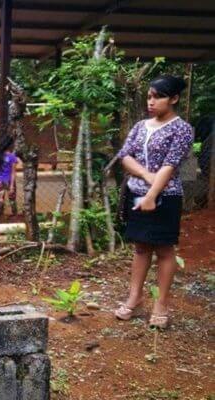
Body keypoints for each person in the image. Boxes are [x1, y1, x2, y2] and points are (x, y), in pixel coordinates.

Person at [114, 75, 193, 329]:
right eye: (149, 96)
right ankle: (135, 298)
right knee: (140, 246)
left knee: (164, 248)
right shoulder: (140, 126)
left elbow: (170, 165)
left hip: (166, 196)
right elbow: (125, 156)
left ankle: (161, 304)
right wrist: (146, 175)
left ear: (174, 99)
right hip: (136, 191)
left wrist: (151, 195)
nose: (151, 101)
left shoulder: (182, 129)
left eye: (157, 96)